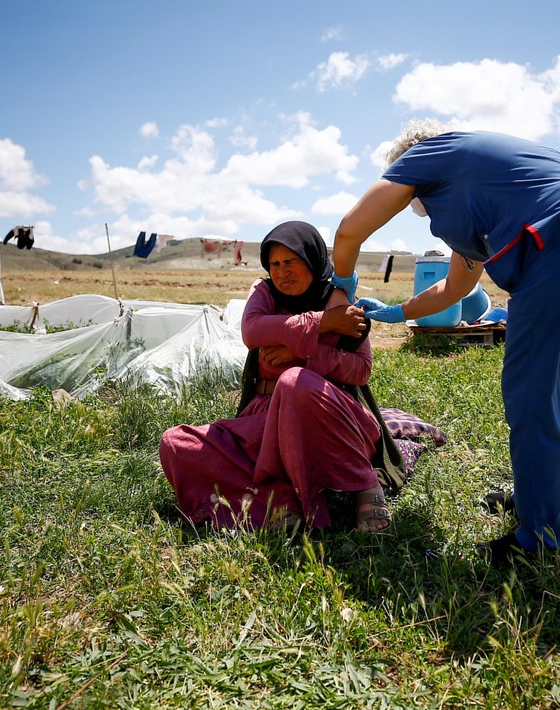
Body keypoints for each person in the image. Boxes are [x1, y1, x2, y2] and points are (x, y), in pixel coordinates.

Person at [332, 120, 560, 566]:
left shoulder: (427, 154)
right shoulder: (482, 185)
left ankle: (542, 544)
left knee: (533, 395)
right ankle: (536, 498)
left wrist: (341, 286)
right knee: (552, 390)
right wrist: (398, 313)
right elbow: (456, 288)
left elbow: (349, 231)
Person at [158, 221, 392, 533]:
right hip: (264, 419)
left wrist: (304, 358)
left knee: (295, 381)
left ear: (312, 260)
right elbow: (252, 330)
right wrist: (322, 323)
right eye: (275, 264)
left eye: (291, 262)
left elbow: (360, 369)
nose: (282, 272)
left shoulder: (340, 301)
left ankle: (365, 482)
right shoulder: (266, 292)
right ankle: (278, 501)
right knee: (176, 442)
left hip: (327, 417)